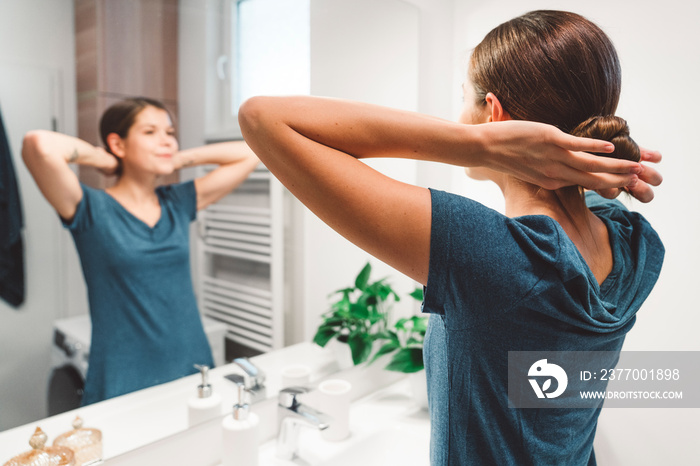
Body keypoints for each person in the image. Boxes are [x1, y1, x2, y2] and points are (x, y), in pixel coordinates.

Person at [238, 10, 664, 466]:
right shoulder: (635, 243)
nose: (458, 119)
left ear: (492, 114)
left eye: (465, 102)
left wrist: (479, 143)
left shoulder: (494, 256)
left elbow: (263, 118)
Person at [22, 97, 259, 405]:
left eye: (170, 133)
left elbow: (249, 154)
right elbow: (37, 144)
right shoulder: (90, 209)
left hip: (191, 365)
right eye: (150, 132)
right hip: (123, 377)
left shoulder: (177, 202)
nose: (167, 141)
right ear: (117, 144)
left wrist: (176, 160)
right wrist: (103, 158)